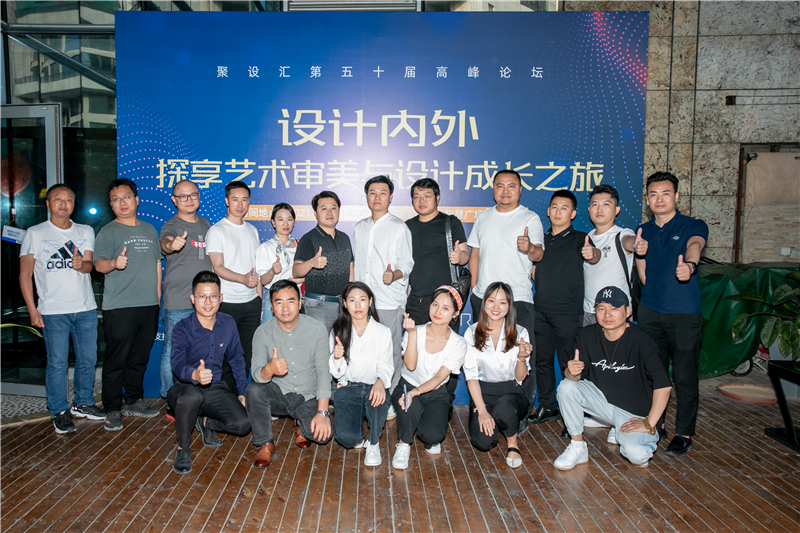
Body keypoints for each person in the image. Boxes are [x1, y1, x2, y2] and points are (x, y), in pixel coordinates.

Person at [553, 286, 672, 470]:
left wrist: (649, 423)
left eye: (614, 308)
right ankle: (577, 446)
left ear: (628, 311)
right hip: (604, 405)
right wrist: (572, 373)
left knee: (638, 457)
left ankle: (620, 429)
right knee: (566, 386)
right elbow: (574, 379)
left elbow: (664, 385)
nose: (607, 314)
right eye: (601, 308)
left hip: (634, 415)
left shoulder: (643, 341)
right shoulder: (586, 335)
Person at [19, 184, 104, 433]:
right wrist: (32, 310)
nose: (63, 204)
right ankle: (58, 410)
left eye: (68, 199)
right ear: (48, 204)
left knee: (88, 359)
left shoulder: (85, 230)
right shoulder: (35, 233)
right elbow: (24, 275)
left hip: (85, 307)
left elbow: (89, 266)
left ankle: (84, 403)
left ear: (73, 204)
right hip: (52, 310)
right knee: (57, 364)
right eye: (58, 199)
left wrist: (82, 264)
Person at [634, 171, 708, 457]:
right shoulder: (644, 230)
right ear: (647, 199)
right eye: (653, 194)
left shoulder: (693, 225)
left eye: (665, 193)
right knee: (653, 373)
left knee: (685, 376)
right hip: (650, 312)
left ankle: (684, 434)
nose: (659, 199)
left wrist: (690, 265)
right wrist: (640, 256)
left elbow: (695, 245)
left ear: (676, 196)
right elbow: (642, 272)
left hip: (684, 314)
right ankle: (658, 425)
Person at [467, 169, 544, 413]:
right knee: (481, 353)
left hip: (518, 299)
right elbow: (475, 253)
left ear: (520, 189)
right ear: (493, 189)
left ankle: (522, 411)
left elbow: (538, 254)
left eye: (511, 186)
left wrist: (529, 247)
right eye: (500, 185)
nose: (505, 191)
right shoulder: (483, 217)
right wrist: (475, 289)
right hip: (484, 299)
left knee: (523, 354)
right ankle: (480, 406)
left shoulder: (530, 218)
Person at [94, 178, 162, 430]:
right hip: (119, 306)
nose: (122, 202)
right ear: (111, 205)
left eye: (126, 197)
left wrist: (157, 298)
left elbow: (157, 264)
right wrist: (114, 263)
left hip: (149, 305)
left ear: (136, 199)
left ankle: (133, 400)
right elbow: (98, 264)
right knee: (116, 360)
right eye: (116, 199)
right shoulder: (108, 231)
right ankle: (112, 408)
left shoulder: (150, 229)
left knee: (139, 357)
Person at [168, 271, 251, 474]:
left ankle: (204, 421)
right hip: (185, 388)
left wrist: (242, 392)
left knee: (243, 425)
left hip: (215, 388)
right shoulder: (182, 327)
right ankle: (183, 448)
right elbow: (176, 363)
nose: (208, 302)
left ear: (220, 298)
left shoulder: (228, 323)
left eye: (213, 296)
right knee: (192, 395)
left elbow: (236, 359)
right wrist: (193, 374)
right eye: (202, 296)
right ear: (192, 299)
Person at [528, 190, 599, 425]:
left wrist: (592, 253)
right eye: (555, 207)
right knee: (542, 361)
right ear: (548, 211)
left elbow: (594, 256)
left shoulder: (581, 238)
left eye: (564, 208)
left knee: (570, 363)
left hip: (569, 313)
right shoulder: (540, 241)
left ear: (573, 213)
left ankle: (574, 414)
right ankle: (548, 406)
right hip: (541, 310)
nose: (558, 212)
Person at [246, 280, 332, 468]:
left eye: (291, 301)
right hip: (280, 394)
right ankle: (265, 442)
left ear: (300, 303)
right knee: (254, 390)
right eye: (279, 302)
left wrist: (322, 412)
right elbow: (257, 374)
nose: (285, 308)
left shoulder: (317, 329)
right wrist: (269, 369)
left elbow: (324, 372)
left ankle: (300, 423)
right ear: (271, 306)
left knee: (322, 436)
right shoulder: (262, 332)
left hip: (308, 395)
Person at [354, 175, 414, 421]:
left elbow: (407, 263)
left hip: (388, 301)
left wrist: (394, 275)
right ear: (366, 197)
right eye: (372, 192)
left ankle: (388, 400)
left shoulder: (399, 228)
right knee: (364, 351)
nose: (377, 197)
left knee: (390, 353)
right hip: (362, 303)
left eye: (382, 193)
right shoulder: (360, 227)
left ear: (391, 197)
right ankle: (367, 396)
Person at [391, 286, 467, 470]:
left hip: (436, 391)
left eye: (446, 308)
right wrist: (412, 334)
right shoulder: (415, 330)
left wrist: (417, 392)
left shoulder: (458, 343)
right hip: (407, 385)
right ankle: (403, 444)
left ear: (455, 314)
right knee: (409, 406)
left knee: (433, 436)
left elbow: (440, 377)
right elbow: (410, 366)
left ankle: (424, 420)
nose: (438, 311)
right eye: (435, 304)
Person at [464, 282, 533, 468]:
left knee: (504, 409)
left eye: (502, 302)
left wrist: (521, 358)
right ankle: (493, 418)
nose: (496, 307)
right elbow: (471, 376)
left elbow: (520, 378)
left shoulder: (520, 332)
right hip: (483, 393)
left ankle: (512, 444)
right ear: (484, 303)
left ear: (509, 306)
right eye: (491, 301)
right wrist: (482, 410)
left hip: (512, 392)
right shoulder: (472, 332)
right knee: (483, 443)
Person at [159, 179, 212, 407]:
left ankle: (194, 396)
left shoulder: (206, 224)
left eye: (193, 195)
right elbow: (165, 242)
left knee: (200, 350)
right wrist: (172, 245)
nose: (189, 200)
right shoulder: (171, 225)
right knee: (173, 351)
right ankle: (169, 397)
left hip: (204, 303)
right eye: (183, 196)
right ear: (174, 200)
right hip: (178, 301)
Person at [328, 282, 393, 466]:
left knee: (378, 397)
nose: (358, 305)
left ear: (370, 301)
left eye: (362, 299)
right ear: (344, 304)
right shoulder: (337, 330)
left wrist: (380, 382)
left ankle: (373, 442)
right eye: (352, 300)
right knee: (347, 439)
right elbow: (336, 374)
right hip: (348, 387)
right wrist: (337, 357)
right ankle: (357, 430)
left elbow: (386, 365)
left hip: (374, 386)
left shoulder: (382, 332)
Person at [206, 181, 261, 389]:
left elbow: (256, 267)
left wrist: (258, 296)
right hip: (227, 303)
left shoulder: (252, 230)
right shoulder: (217, 230)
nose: (240, 204)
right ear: (227, 201)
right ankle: (222, 398)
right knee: (222, 356)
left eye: (244, 199)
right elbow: (218, 267)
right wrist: (243, 279)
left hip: (251, 303)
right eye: (235, 199)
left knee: (246, 356)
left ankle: (240, 396)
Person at [404, 178, 468, 326]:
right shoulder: (407, 226)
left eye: (427, 196)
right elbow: (405, 262)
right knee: (415, 340)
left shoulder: (450, 222)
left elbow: (465, 255)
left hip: (444, 301)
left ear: (437, 198)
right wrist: (404, 293)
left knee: (445, 341)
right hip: (416, 300)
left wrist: (459, 257)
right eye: (417, 197)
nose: (422, 201)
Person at [293, 191, 354, 332]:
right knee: (319, 344)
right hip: (318, 306)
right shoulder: (308, 238)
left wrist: (350, 297)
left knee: (341, 344)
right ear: (316, 213)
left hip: (342, 306)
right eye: (324, 208)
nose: (329, 212)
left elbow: (350, 268)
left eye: (333, 208)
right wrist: (312, 263)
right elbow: (296, 272)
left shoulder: (345, 238)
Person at [583, 184, 637, 327]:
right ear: (589, 209)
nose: (599, 209)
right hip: (589, 311)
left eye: (606, 204)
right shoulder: (587, 237)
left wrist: (637, 244)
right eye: (595, 204)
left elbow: (629, 242)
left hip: (616, 310)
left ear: (617, 210)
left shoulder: (621, 234)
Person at [255, 203, 304, 323]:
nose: (285, 224)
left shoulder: (300, 245)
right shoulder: (266, 247)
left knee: (297, 332)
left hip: (295, 296)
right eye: (280, 219)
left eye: (289, 219)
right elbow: (263, 281)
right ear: (273, 222)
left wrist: (296, 280)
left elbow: (308, 274)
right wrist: (272, 271)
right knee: (271, 332)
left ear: (294, 221)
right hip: (275, 296)